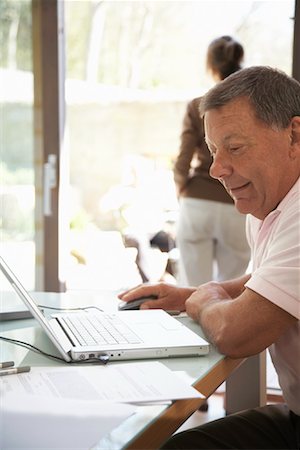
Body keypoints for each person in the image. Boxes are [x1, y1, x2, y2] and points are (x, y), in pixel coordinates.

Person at [118, 66, 300, 449]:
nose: (217, 170)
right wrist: (190, 295)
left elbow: (237, 333)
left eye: (234, 148)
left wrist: (203, 302)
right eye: (215, 151)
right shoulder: (271, 204)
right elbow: (270, 280)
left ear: (294, 136)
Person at [174, 36, 250, 286]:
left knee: (191, 291)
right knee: (228, 293)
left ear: (212, 67)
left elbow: (182, 160)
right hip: (237, 203)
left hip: (197, 203)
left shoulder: (198, 106)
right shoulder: (253, 109)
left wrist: (182, 189)